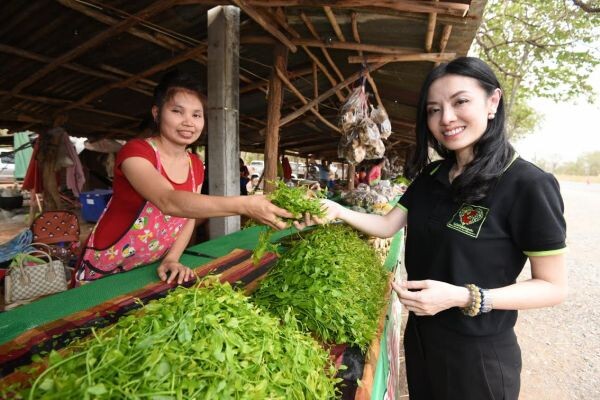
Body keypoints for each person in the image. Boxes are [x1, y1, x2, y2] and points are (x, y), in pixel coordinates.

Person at [303, 57, 567, 400]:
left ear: (492, 102)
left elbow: (553, 286)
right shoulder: (431, 177)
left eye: (460, 102)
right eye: (433, 109)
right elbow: (386, 225)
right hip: (422, 339)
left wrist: (465, 296)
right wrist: (337, 210)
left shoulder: (527, 184)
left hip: (477, 355)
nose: (446, 119)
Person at [76, 70, 293, 285]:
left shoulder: (195, 164)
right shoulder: (137, 152)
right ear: (156, 113)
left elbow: (188, 216)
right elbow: (168, 201)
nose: (188, 122)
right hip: (107, 262)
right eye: (177, 111)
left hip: (151, 264)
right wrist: (244, 205)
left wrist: (172, 257)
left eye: (196, 115)